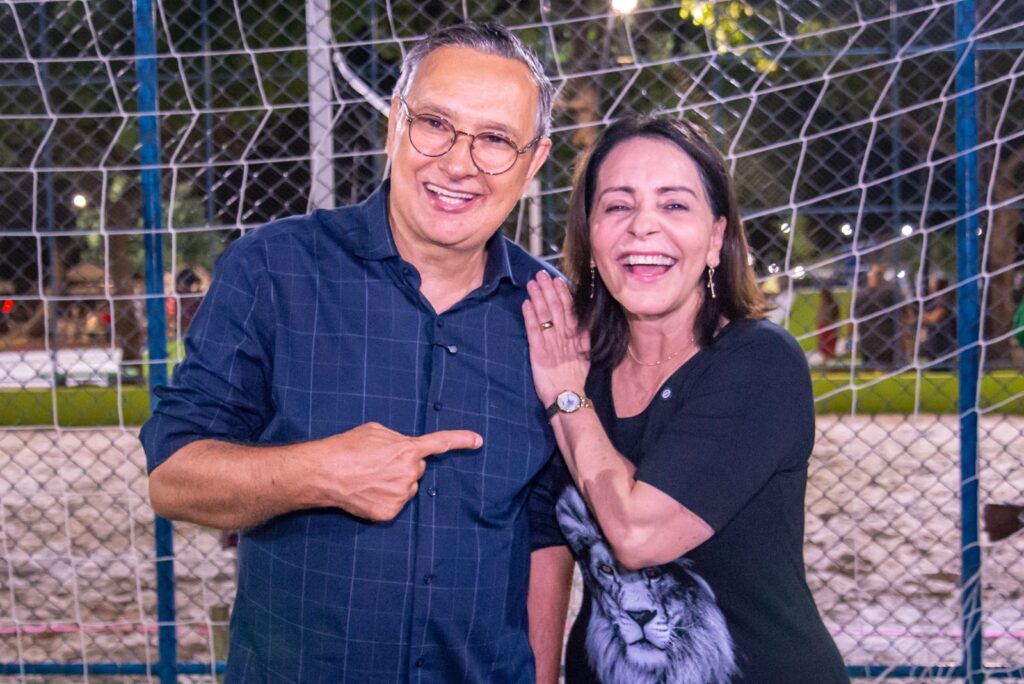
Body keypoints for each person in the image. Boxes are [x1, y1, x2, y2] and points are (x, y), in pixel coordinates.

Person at [140, 22, 570, 683]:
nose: (459, 163)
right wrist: (319, 473)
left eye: (494, 139)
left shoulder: (551, 310)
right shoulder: (274, 269)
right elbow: (172, 477)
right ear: (395, 123)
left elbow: (545, 531)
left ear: (534, 160)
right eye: (435, 124)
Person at [523, 116, 848, 683]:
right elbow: (545, 548)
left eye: (674, 205)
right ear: (590, 238)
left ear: (716, 239)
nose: (643, 226)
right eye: (618, 206)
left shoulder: (759, 363)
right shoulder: (575, 365)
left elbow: (638, 536)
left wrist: (566, 397)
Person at [853, 261, 900, 369]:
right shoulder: (890, 292)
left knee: (870, 368)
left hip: (870, 339)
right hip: (884, 339)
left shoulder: (861, 294)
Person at [919, 274, 956, 366]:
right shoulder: (933, 300)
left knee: (942, 362)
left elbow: (935, 317)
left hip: (941, 336)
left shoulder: (942, 300)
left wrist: (925, 317)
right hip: (933, 335)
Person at [816, 285, 841, 362]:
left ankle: (830, 359)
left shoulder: (833, 304)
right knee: (823, 345)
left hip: (829, 326)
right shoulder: (823, 304)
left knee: (829, 345)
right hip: (823, 326)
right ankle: (826, 358)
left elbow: (836, 316)